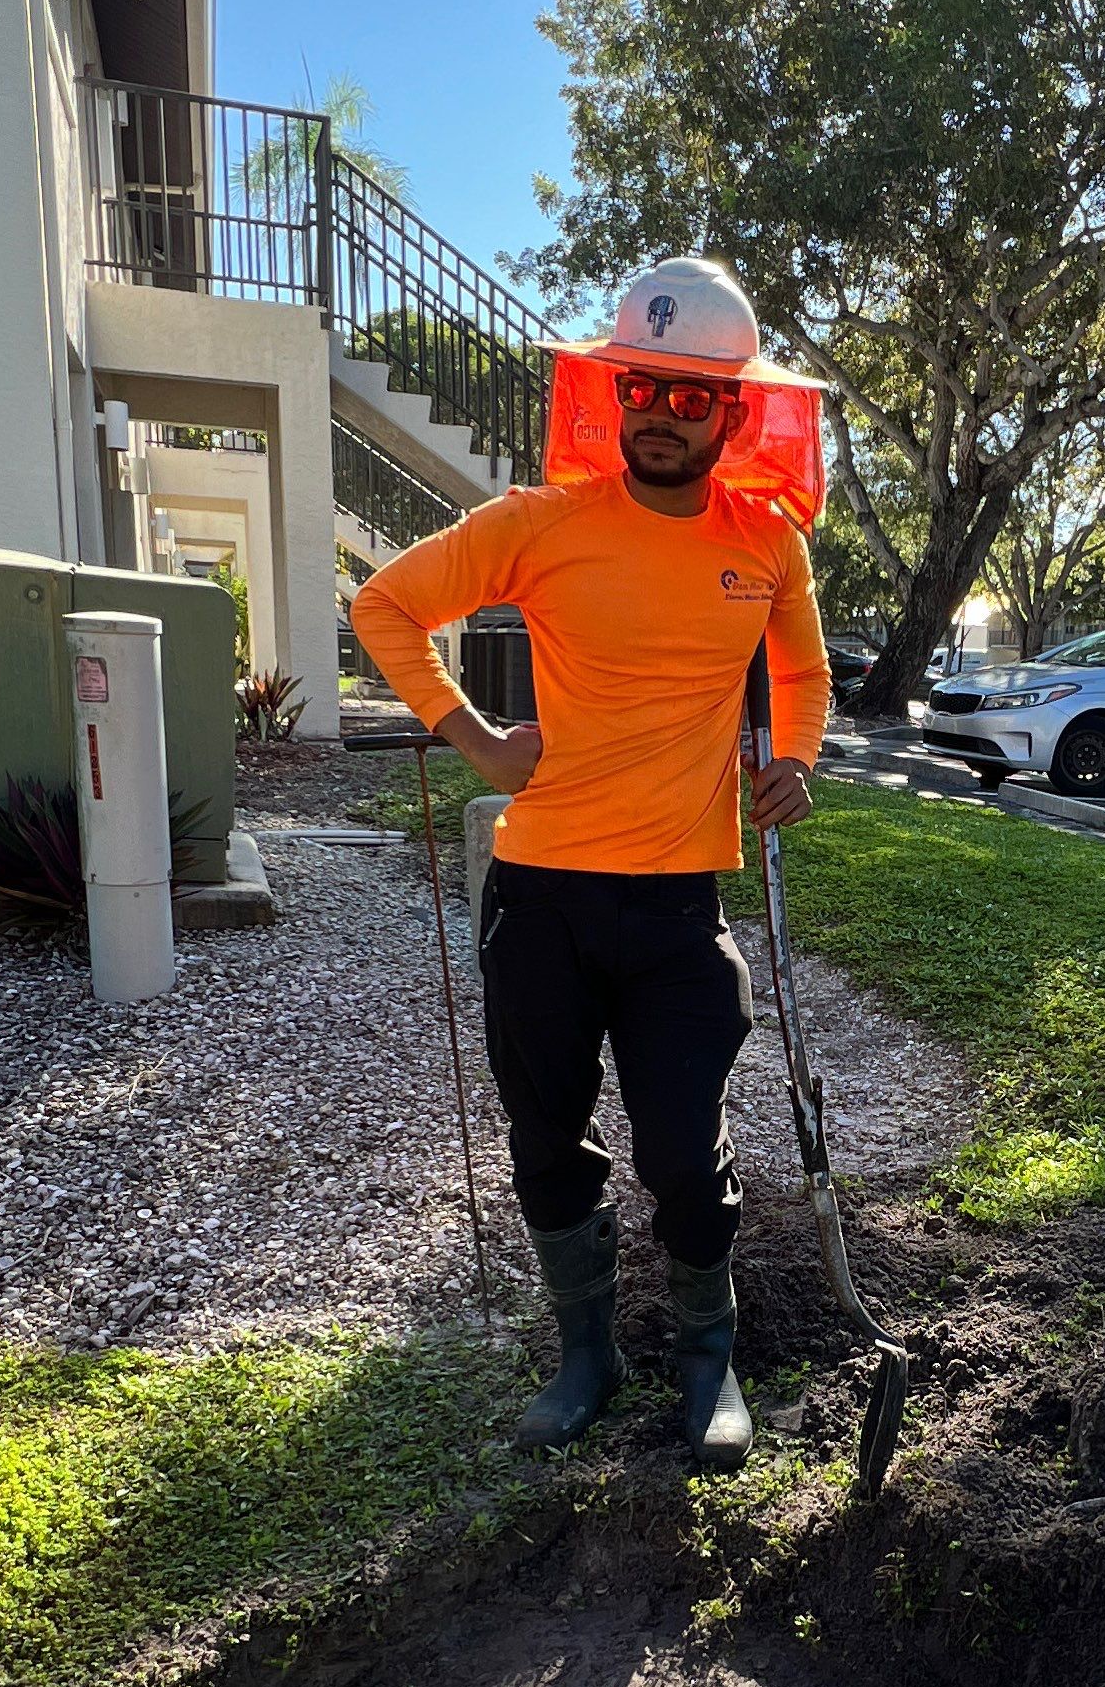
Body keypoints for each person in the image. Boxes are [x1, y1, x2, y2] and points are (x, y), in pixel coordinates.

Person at [349, 256, 831, 1471]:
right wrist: (471, 740)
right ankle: (588, 1355)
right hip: (543, 896)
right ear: (614, 397)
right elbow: (388, 606)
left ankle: (707, 1359)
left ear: (732, 409)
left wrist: (799, 761)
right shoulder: (541, 523)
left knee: (681, 1144)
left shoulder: (768, 543)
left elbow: (805, 675)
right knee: (547, 1135)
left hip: (678, 904)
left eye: (690, 395)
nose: (664, 414)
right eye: (644, 390)